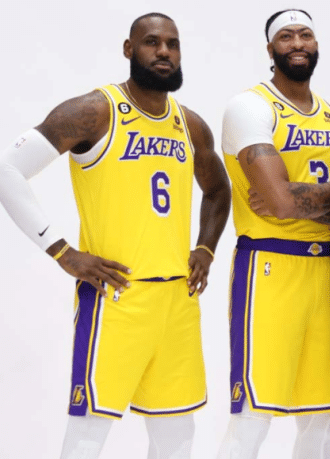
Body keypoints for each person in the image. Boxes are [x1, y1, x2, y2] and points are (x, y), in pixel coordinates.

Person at [0, 13, 231, 459]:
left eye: (172, 44)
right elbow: (7, 170)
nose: (163, 52)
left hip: (177, 302)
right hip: (117, 297)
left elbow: (218, 190)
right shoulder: (95, 110)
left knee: (177, 435)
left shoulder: (189, 124)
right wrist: (62, 251)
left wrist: (205, 248)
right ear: (129, 49)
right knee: (89, 435)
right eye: (151, 42)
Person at [217, 9, 330, 459]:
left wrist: (299, 198)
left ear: (316, 45)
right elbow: (277, 202)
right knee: (252, 416)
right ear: (270, 49)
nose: (297, 43)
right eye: (286, 36)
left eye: (306, 34)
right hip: (270, 268)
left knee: (323, 418)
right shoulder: (250, 107)